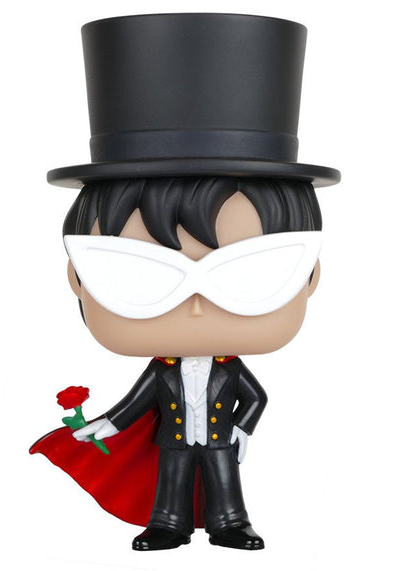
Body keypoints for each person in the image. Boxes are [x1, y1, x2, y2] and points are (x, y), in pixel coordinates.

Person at [32, 14, 340, 551]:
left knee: (225, 483)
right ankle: (167, 522)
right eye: (138, 275)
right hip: (173, 440)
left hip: (219, 440)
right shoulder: (164, 371)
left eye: (253, 274)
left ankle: (231, 522)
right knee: (170, 484)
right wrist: (104, 426)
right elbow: (134, 406)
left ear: (310, 275)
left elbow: (256, 398)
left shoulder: (229, 369)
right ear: (78, 279)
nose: (196, 305)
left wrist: (243, 429)